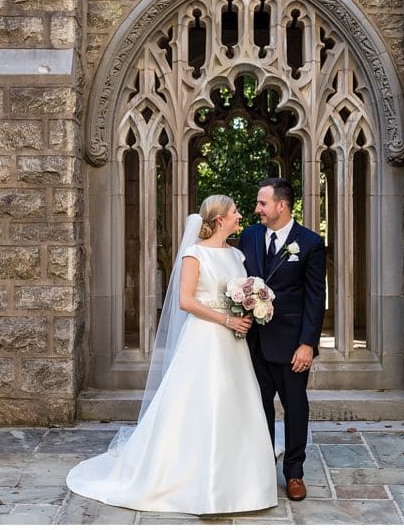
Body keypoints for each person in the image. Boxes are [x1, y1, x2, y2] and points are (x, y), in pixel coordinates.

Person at [66, 195, 278, 514]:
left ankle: (240, 482)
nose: (239, 215)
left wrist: (250, 306)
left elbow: (239, 291)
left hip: (234, 342)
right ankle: (192, 479)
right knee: (201, 403)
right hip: (206, 338)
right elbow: (185, 301)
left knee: (235, 402)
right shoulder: (194, 254)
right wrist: (226, 318)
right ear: (220, 219)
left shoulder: (236, 255)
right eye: (234, 212)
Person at [237, 177, 326, 502]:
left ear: (281, 205)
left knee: (295, 408)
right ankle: (260, 469)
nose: (257, 209)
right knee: (257, 409)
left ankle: (294, 473)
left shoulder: (310, 243)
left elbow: (316, 299)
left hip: (291, 347)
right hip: (253, 344)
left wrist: (307, 344)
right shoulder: (249, 235)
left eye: (262, 203)